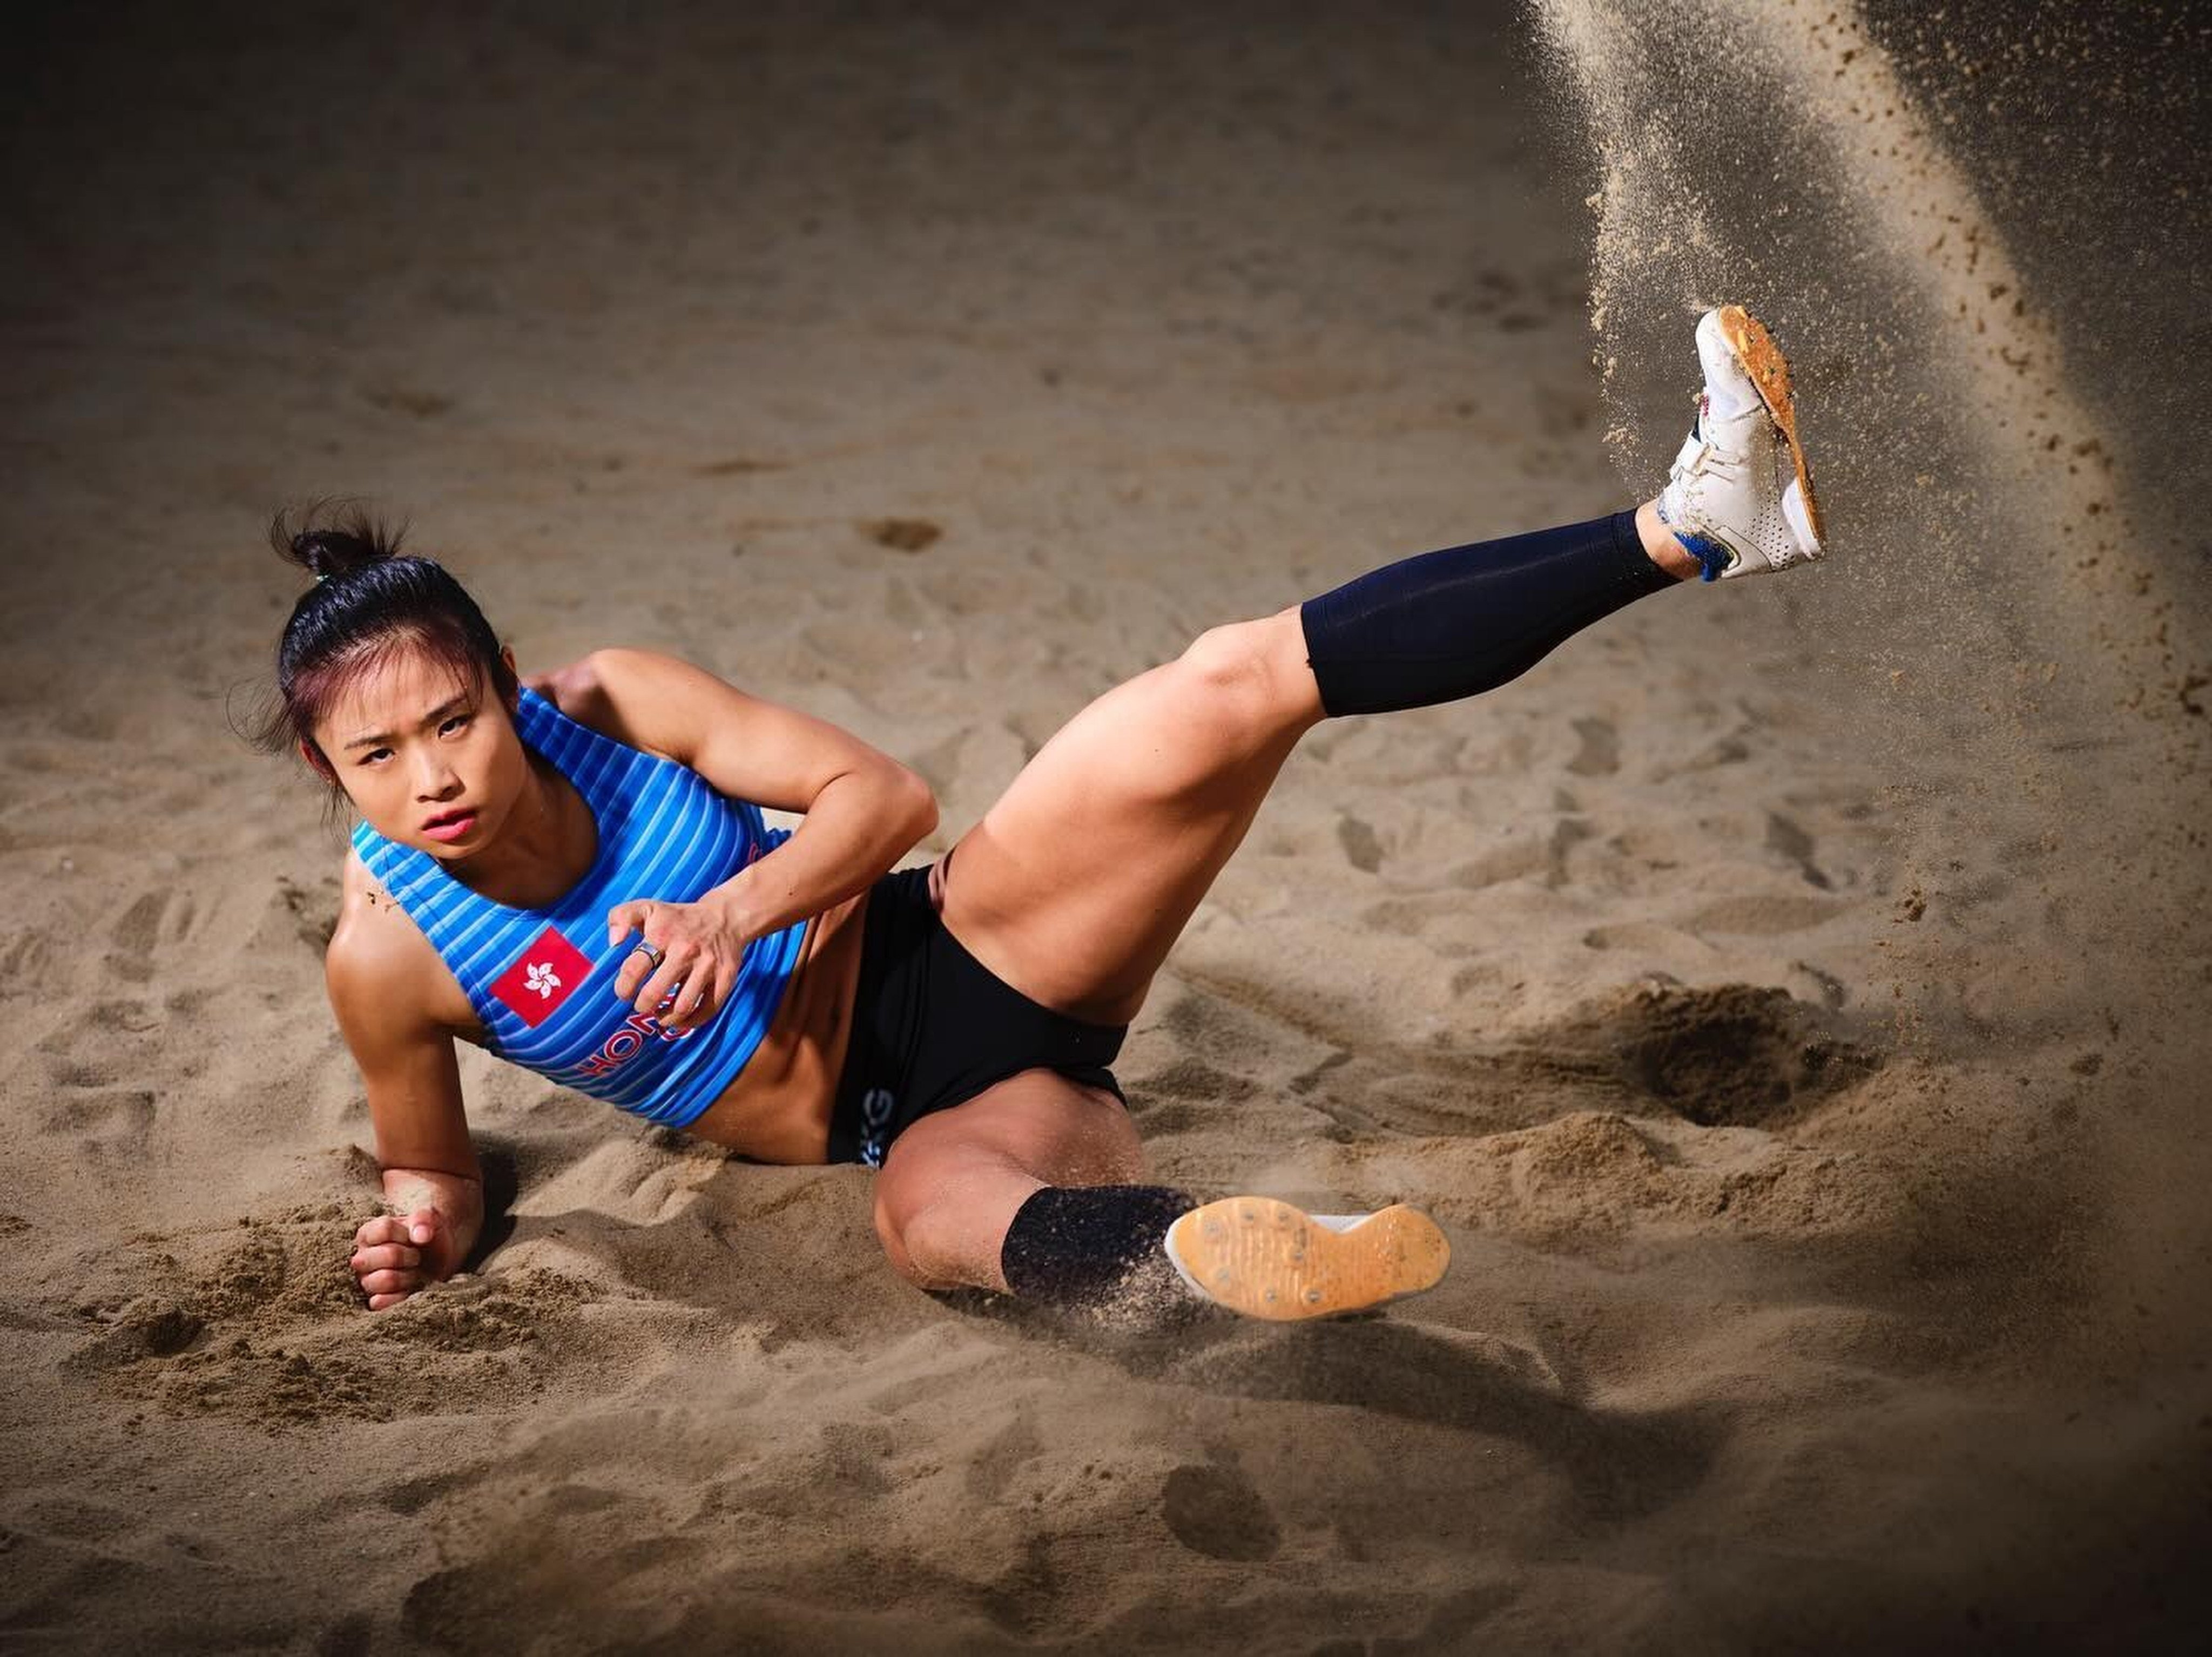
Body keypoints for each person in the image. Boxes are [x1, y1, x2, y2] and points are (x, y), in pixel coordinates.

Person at [260, 306, 1824, 1324]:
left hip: (963, 939)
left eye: (454, 721)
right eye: (377, 756)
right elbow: (435, 1172)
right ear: (330, 775)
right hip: (916, 1120)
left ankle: (1696, 524)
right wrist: (423, 1235)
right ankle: (1244, 1256)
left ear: (508, 685)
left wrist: (734, 912)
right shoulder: (390, 959)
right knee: (930, 1224)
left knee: (1221, 684)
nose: (433, 776)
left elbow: (888, 795)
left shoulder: (613, 701)